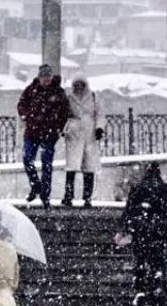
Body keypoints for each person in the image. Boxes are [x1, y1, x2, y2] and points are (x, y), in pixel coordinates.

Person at [118, 161, 167, 306]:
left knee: (140, 261)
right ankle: (156, 289)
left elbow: (129, 211)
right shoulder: (166, 189)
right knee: (157, 262)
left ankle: (141, 290)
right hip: (159, 232)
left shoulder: (137, 188)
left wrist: (124, 230)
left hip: (140, 231)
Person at [17, 65, 70, 208]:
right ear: (39, 78)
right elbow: (21, 104)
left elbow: (65, 111)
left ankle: (45, 195)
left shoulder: (58, 92)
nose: (46, 81)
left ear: (51, 77)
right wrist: (27, 116)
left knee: (47, 165)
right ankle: (36, 186)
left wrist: (58, 128)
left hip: (50, 133)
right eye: (44, 78)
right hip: (32, 132)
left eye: (48, 78)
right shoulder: (31, 89)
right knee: (27, 158)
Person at [62, 77, 106, 207]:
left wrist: (99, 128)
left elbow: (100, 114)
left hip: (89, 133)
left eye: (81, 85)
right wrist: (64, 128)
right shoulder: (69, 97)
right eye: (76, 85)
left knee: (89, 166)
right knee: (71, 166)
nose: (79, 87)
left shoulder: (93, 96)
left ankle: (87, 197)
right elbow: (63, 113)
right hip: (74, 133)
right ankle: (68, 195)